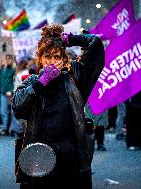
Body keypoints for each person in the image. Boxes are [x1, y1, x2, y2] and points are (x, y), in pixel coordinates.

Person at [12, 24, 104, 189]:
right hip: (40, 159)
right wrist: (40, 84)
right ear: (41, 58)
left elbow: (96, 44)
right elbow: (17, 107)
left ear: (64, 60)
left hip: (72, 161)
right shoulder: (33, 81)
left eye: (56, 57)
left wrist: (72, 39)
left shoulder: (75, 78)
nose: (52, 62)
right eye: (47, 56)